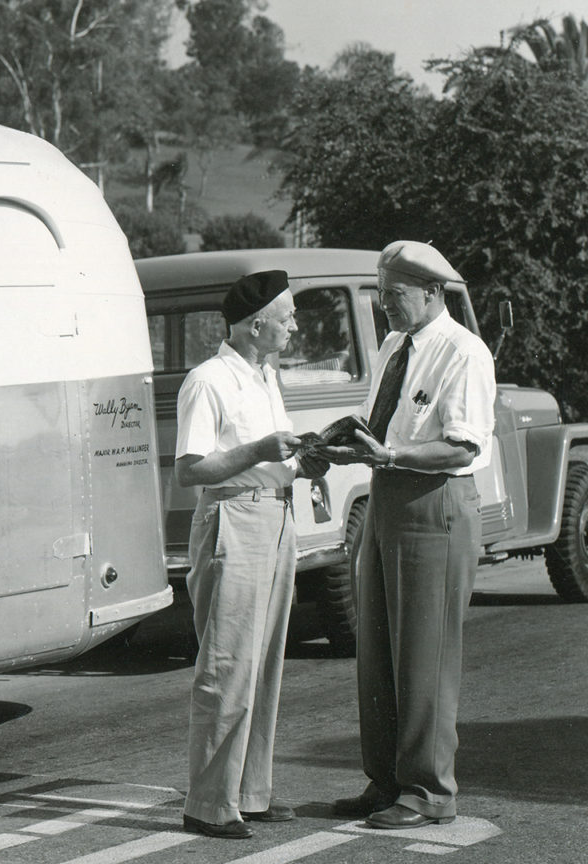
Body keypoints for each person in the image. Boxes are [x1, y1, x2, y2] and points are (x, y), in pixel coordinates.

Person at [322, 240, 496, 829]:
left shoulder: (464, 353)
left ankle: (428, 792)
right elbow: (383, 428)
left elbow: (463, 447)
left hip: (434, 504)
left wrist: (391, 454)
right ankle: (387, 780)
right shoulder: (396, 346)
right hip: (387, 495)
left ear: (432, 292)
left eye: (393, 294)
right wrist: (345, 446)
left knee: (426, 655)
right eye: (381, 293)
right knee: (377, 651)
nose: (385, 305)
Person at [174, 270, 329, 840]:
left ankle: (249, 793)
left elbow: (271, 458)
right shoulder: (208, 380)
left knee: (263, 663)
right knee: (227, 664)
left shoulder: (265, 377)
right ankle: (208, 804)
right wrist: (260, 450)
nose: (294, 326)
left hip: (275, 517)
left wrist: (303, 464)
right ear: (256, 324)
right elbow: (191, 469)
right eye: (287, 317)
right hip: (234, 519)